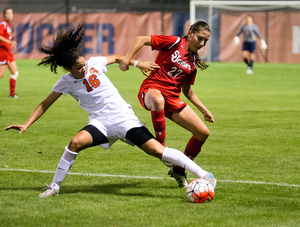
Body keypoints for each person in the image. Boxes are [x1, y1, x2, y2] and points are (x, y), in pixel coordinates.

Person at [5, 24, 216, 197]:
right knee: (74, 143)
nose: (84, 68)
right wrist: (26, 123)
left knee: (159, 152)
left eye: (84, 63)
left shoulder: (94, 63)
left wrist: (135, 62)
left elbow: (115, 59)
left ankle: (204, 174)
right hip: (100, 123)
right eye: (79, 67)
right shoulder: (64, 83)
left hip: (124, 119)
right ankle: (54, 187)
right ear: (69, 70)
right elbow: (44, 104)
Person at [119, 20, 214, 188]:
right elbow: (141, 39)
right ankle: (162, 149)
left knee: (203, 132)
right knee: (157, 99)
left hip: (171, 99)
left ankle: (178, 169)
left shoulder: (192, 64)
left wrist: (204, 110)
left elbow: (187, 91)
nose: (202, 43)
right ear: (190, 33)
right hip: (151, 90)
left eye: (205, 40)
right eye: (200, 38)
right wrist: (127, 60)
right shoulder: (175, 42)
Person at [0, 7, 19, 98]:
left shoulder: (8, 24)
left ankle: (12, 94)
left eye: (11, 13)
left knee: (15, 72)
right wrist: (9, 42)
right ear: (4, 15)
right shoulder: (3, 24)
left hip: (8, 53)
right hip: (3, 52)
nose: (10, 15)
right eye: (7, 13)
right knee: (1, 75)